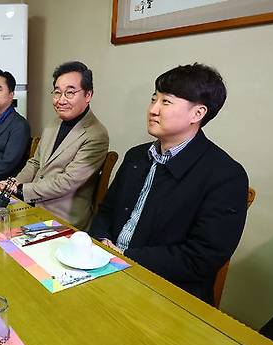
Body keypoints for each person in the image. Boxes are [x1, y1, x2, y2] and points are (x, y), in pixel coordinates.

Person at [90, 63, 248, 304]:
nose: (153, 109)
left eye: (166, 102)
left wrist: (124, 256)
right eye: (154, 99)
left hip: (164, 293)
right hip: (105, 268)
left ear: (198, 114)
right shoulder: (136, 156)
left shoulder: (226, 175)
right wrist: (100, 244)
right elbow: (106, 211)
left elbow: (202, 257)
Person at [0, 61, 109, 229]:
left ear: (88, 95)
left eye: (70, 93)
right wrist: (13, 184)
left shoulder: (96, 134)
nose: (61, 100)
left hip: (62, 218)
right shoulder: (54, 123)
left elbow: (67, 182)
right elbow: (35, 163)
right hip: (32, 205)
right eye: (57, 92)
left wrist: (21, 189)